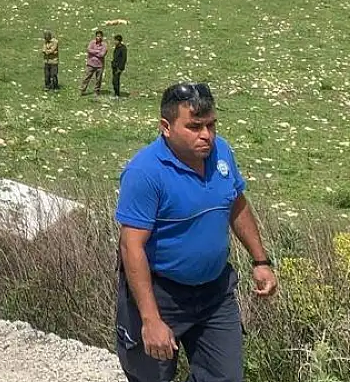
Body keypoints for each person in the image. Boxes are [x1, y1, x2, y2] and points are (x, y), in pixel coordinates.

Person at [115, 82, 278, 382]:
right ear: (166, 126)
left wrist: (261, 261)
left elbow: (236, 204)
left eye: (211, 125)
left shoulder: (222, 153)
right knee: (151, 377)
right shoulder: (145, 173)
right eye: (194, 127)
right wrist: (150, 320)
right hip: (161, 295)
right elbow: (131, 247)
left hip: (215, 293)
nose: (207, 135)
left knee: (225, 377)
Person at [81, 30, 107, 96]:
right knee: (86, 77)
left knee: (98, 79)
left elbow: (102, 54)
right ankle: (82, 90)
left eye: (100, 36)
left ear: (102, 37)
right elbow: (88, 50)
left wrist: (93, 52)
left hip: (99, 65)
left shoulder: (104, 44)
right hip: (91, 64)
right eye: (97, 36)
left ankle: (96, 91)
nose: (98, 37)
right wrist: (97, 51)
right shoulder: (92, 42)